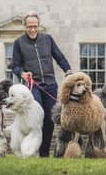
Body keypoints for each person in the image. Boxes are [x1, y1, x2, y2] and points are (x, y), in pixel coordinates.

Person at [12, 11, 72, 157]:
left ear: (38, 26)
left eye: (35, 26)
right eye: (29, 26)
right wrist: (22, 74)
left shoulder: (47, 39)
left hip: (51, 85)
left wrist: (68, 71)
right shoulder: (19, 43)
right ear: (24, 27)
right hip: (34, 86)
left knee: (50, 120)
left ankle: (44, 152)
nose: (32, 29)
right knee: (36, 118)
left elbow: (59, 56)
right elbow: (14, 65)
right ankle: (33, 150)